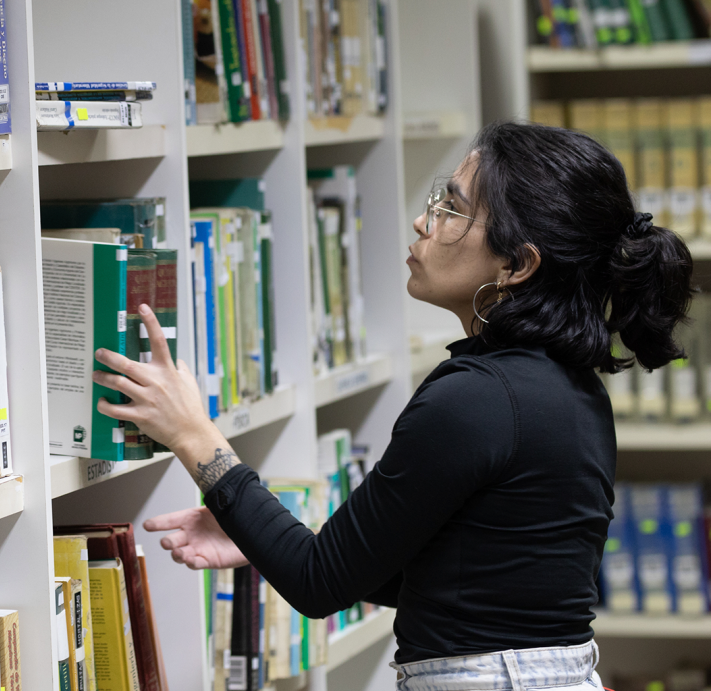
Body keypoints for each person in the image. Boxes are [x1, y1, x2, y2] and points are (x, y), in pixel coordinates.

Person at [92, 122, 693, 691]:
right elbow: (463, 584)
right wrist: (258, 537)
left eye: (453, 208)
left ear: (517, 264)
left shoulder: (476, 399)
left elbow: (318, 582)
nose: (422, 220)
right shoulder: (569, 389)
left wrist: (194, 437)